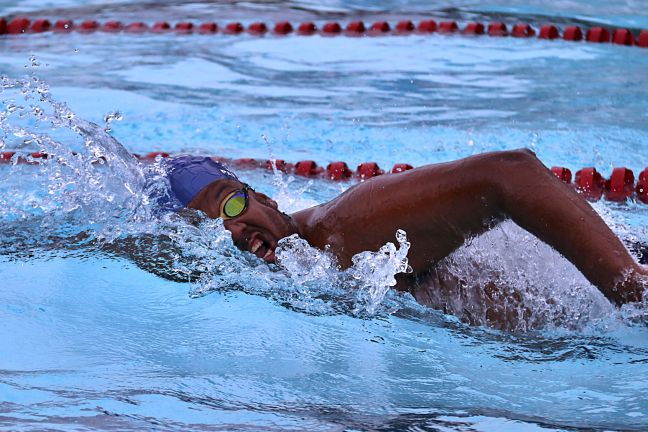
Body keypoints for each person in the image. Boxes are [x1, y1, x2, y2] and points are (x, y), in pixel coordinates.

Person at [164, 149, 647, 310]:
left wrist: (629, 288)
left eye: (229, 203)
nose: (233, 230)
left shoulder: (345, 231)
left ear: (264, 197)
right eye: (208, 228)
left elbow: (509, 172)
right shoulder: (309, 271)